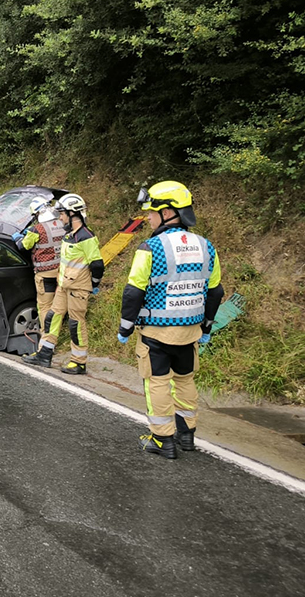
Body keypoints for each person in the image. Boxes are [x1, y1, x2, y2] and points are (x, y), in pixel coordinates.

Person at [117, 181, 224, 459]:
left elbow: (134, 290)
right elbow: (215, 291)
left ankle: (163, 439)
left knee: (158, 382)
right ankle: (186, 435)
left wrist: (126, 326)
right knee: (185, 379)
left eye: (152, 212)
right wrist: (207, 326)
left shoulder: (151, 248)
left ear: (168, 212)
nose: (148, 217)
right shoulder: (206, 246)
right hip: (191, 331)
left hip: (157, 332)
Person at [22, 193, 103, 375]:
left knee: (76, 324)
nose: (60, 217)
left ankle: (78, 361)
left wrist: (94, 283)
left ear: (73, 214)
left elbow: (97, 264)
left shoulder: (86, 236)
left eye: (62, 214)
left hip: (78, 288)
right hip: (63, 286)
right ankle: (44, 353)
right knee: (52, 316)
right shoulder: (69, 236)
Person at [12, 196, 66, 331]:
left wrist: (18, 238)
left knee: (45, 306)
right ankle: (61, 327)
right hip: (63, 272)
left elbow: (23, 246)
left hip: (45, 275)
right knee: (60, 304)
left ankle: (48, 335)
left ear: (38, 213)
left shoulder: (36, 230)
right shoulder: (63, 224)